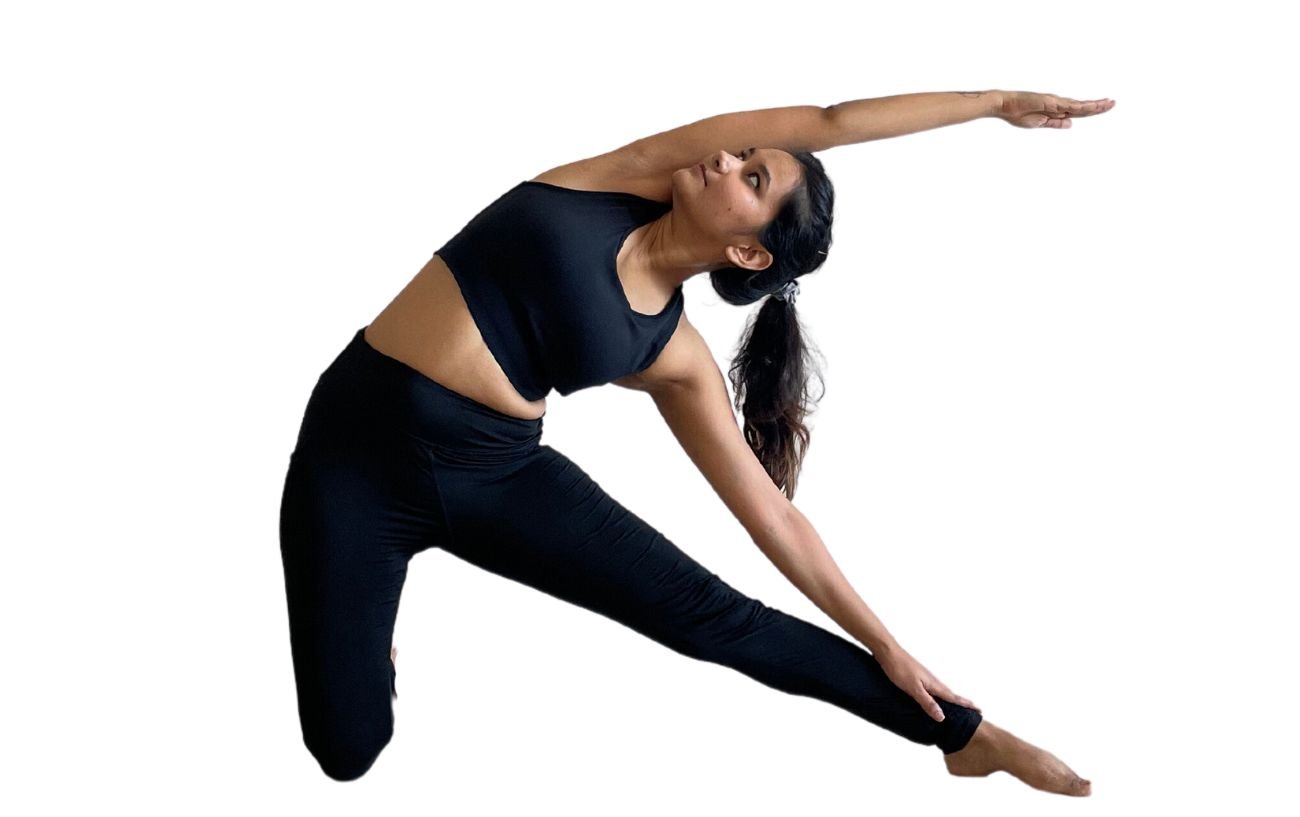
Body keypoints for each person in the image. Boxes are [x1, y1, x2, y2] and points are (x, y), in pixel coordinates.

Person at [279, 89, 1114, 791]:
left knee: (713, 618)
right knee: (347, 750)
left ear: (747, 247)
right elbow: (824, 122)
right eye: (743, 153)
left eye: (750, 176)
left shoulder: (673, 356)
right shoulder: (615, 180)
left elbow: (774, 519)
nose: (725, 159)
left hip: (494, 476)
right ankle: (367, 625)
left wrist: (887, 644)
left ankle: (963, 737)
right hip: (349, 451)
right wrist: (994, 104)